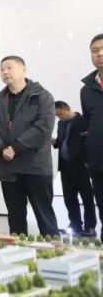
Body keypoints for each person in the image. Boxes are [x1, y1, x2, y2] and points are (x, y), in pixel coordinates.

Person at [0, 56, 58, 236]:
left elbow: (43, 128)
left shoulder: (42, 96)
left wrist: (16, 147)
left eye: (9, 68)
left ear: (24, 69)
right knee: (15, 217)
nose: (5, 72)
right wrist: (0, 148)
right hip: (9, 167)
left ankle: (53, 248)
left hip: (36, 166)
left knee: (44, 215)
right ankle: (17, 249)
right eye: (2, 69)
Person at [53, 101, 95, 237]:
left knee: (87, 198)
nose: (60, 117)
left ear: (67, 109)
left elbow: (89, 143)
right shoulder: (61, 124)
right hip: (65, 167)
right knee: (69, 198)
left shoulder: (83, 121)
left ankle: (90, 226)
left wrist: (88, 162)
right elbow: (62, 142)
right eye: (57, 116)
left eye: (60, 114)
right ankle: (75, 224)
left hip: (81, 166)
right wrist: (55, 142)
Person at [82, 33, 103, 241]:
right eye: (95, 50)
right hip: (99, 163)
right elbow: (89, 124)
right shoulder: (87, 90)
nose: (100, 54)